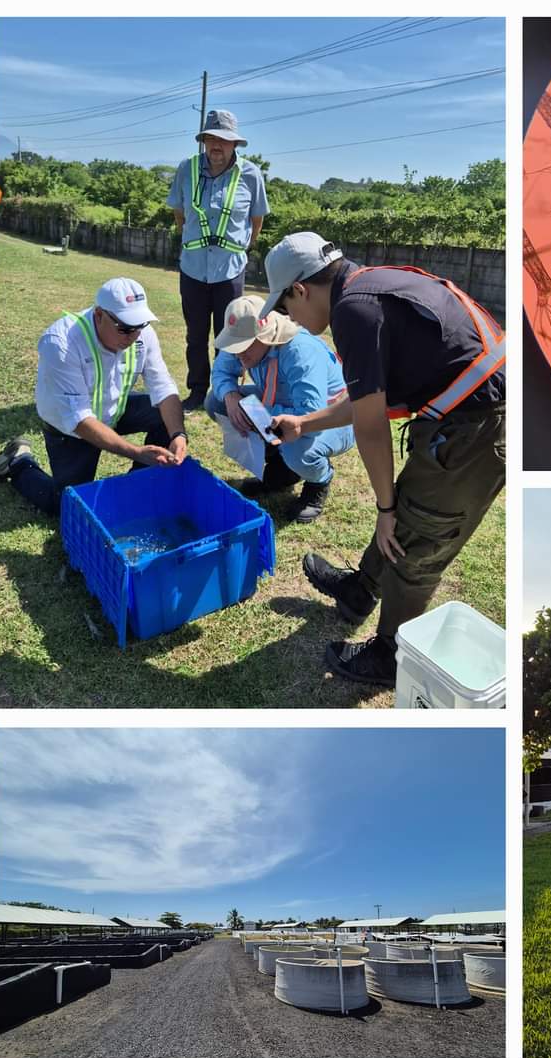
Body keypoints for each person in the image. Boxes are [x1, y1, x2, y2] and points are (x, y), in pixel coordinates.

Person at [258, 232, 505, 686]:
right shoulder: (366, 288)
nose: (287, 316)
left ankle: (392, 655)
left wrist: (385, 508)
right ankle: (360, 590)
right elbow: (368, 397)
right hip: (467, 413)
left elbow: (371, 426)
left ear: (301, 289)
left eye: (284, 305)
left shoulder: (353, 311)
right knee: (409, 512)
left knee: (419, 534)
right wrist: (305, 424)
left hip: (479, 426)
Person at [0, 278, 186, 513]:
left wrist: (178, 434)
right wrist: (135, 452)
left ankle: (139, 486)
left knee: (163, 414)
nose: (133, 336)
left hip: (114, 409)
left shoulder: (142, 335)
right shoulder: (61, 343)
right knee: (67, 506)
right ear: (98, 315)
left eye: (139, 326)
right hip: (71, 429)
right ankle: (19, 462)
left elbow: (163, 386)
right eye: (124, 328)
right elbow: (79, 419)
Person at [205, 295, 355, 524]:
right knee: (216, 402)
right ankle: (280, 466)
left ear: (266, 334)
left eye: (244, 345)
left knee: (299, 451)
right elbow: (221, 373)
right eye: (235, 345)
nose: (239, 354)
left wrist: (257, 412)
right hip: (277, 406)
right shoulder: (244, 343)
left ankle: (318, 483)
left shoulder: (299, 352)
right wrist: (232, 396)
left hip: (332, 419)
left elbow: (309, 419)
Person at [167, 110, 268, 412]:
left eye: (223, 140)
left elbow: (256, 222)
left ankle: (225, 393)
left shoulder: (251, 175)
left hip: (230, 270)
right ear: (204, 141)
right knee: (195, 334)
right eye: (211, 138)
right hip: (193, 268)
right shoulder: (187, 169)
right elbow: (179, 214)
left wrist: (238, 250)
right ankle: (197, 391)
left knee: (230, 335)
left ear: (234, 144)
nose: (216, 145)